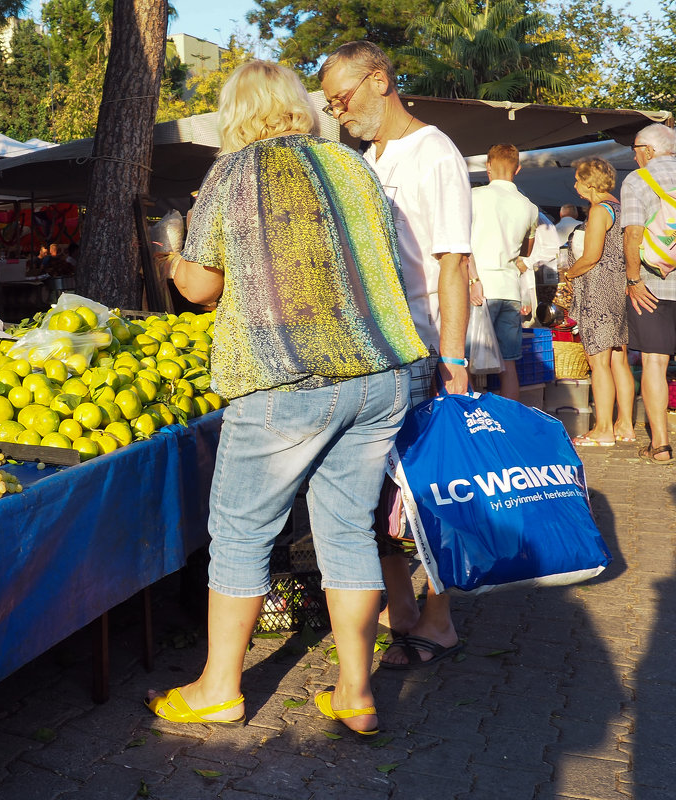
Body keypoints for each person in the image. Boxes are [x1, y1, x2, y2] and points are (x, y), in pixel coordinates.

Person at [146, 60, 427, 736]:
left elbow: (199, 289)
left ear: (235, 112)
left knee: (241, 533)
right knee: (348, 532)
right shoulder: (352, 166)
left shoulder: (234, 173)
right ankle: (356, 691)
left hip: (288, 380)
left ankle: (219, 688)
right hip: (379, 374)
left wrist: (171, 255)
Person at [318, 41, 471, 669]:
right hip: (372, 350)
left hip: (421, 349)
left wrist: (454, 359)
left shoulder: (434, 153)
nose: (338, 112)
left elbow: (453, 263)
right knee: (377, 493)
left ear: (379, 81)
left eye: (342, 98)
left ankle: (439, 621)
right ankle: (401, 609)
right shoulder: (363, 157)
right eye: (330, 104)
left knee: (430, 491)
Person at [561, 157, 634, 446]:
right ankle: (625, 425)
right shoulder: (619, 207)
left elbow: (591, 256)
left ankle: (603, 428)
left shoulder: (599, 211)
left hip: (599, 291)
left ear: (590, 183)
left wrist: (569, 273)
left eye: (578, 179)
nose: (575, 184)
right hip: (619, 289)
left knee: (598, 362)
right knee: (619, 360)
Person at [621, 123, 676, 464]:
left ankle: (661, 446)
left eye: (636, 147)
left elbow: (633, 234)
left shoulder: (638, 179)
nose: (635, 153)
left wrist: (633, 280)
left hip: (654, 285)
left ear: (650, 149)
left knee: (655, 362)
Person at [470, 144, 538, 402]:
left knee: (468, 362)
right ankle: (509, 420)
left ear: (487, 166)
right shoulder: (529, 206)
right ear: (517, 169)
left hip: (478, 288)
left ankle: (471, 421)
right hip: (509, 290)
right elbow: (527, 250)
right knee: (508, 363)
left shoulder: (474, 197)